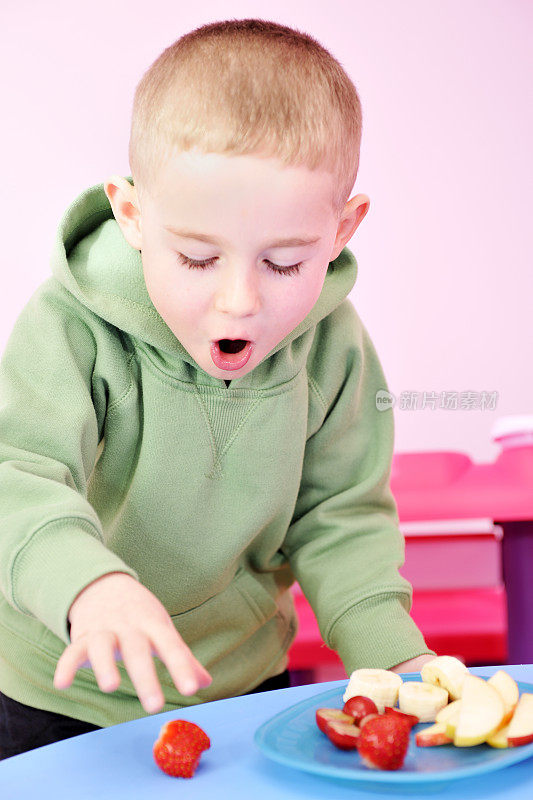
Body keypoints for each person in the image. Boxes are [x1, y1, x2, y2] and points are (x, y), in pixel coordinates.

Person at [0, 18, 436, 760]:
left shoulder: (333, 346)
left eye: (285, 264)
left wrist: (396, 658)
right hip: (61, 692)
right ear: (133, 215)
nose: (239, 301)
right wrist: (87, 588)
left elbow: (340, 517)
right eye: (198, 259)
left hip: (245, 688)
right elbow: (18, 476)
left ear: (340, 231)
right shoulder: (68, 326)